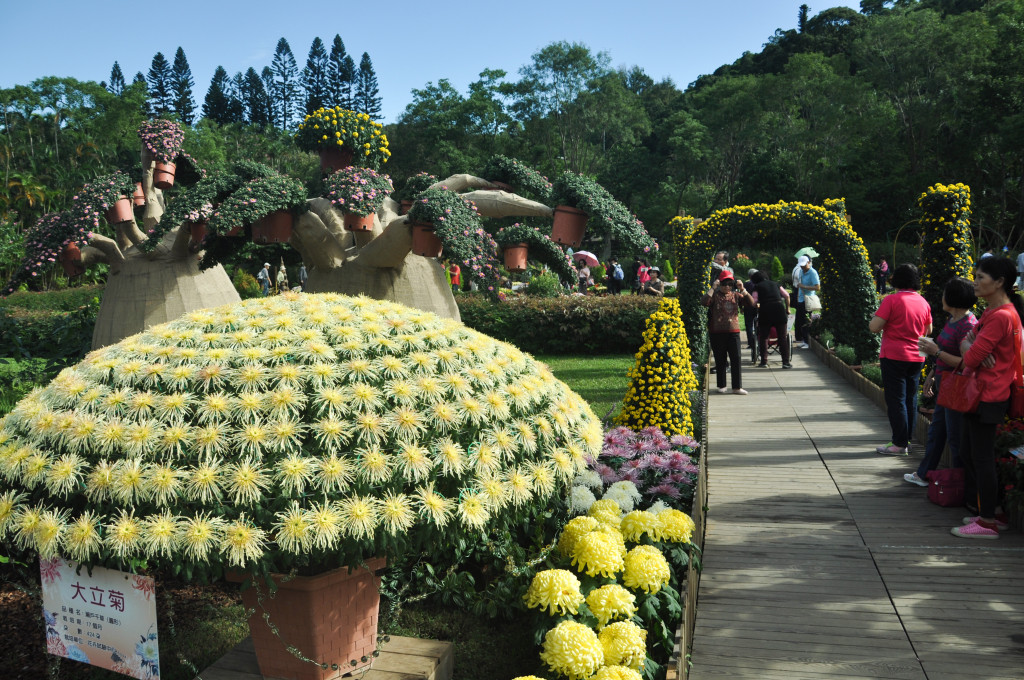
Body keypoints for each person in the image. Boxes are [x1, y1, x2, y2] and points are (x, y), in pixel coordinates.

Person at [947, 257, 1023, 538]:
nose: (975, 283)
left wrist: (970, 347)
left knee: (981, 457)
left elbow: (971, 356)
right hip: (983, 392)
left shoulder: (1001, 315)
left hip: (988, 394)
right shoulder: (996, 312)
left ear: (1000, 282)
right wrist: (970, 345)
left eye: (981, 277)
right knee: (972, 453)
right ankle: (995, 512)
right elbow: (968, 344)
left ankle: (988, 521)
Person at [910, 277, 977, 486]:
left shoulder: (968, 325)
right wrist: (931, 376)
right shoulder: (953, 320)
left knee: (955, 437)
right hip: (945, 384)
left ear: (953, 297)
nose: (941, 298)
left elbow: (967, 363)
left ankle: (959, 485)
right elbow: (943, 354)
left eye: (945, 293)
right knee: (936, 432)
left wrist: (936, 351)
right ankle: (924, 474)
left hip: (957, 387)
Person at [869, 263, 933, 455]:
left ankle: (899, 443)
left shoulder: (892, 300)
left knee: (896, 399)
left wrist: (876, 317)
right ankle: (906, 440)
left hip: (894, 355)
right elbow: (929, 331)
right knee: (910, 398)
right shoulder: (923, 302)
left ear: (896, 279)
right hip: (917, 356)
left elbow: (874, 327)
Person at [702, 275, 753, 395]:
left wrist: (742, 289)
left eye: (730, 284)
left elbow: (751, 303)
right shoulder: (715, 295)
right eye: (724, 284)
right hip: (717, 332)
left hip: (733, 331)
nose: (727, 287)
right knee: (720, 359)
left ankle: (737, 387)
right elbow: (704, 302)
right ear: (720, 284)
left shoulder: (736, 295)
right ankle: (722, 385)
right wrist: (713, 288)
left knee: (736, 358)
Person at [750, 270, 792, 369]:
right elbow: (787, 295)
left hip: (765, 311)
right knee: (782, 337)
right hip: (779, 310)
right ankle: (785, 362)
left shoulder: (757, 287)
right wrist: (788, 308)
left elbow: (754, 302)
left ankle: (764, 362)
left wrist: (757, 306)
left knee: (764, 337)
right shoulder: (776, 284)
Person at [793, 255, 820, 349]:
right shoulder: (801, 271)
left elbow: (817, 287)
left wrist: (804, 286)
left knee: (807, 320)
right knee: (801, 321)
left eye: (804, 265)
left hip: (808, 300)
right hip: (800, 299)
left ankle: (808, 341)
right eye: (801, 265)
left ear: (809, 263)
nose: (802, 267)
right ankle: (804, 340)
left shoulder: (813, 272)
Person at [742, 268, 759, 364]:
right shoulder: (758, 284)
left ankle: (750, 342)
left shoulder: (746, 284)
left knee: (748, 325)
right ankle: (757, 339)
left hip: (748, 307)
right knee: (757, 323)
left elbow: (743, 296)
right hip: (757, 307)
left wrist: (741, 306)